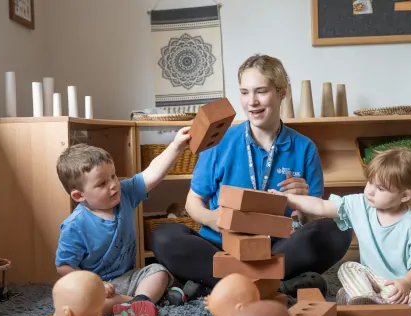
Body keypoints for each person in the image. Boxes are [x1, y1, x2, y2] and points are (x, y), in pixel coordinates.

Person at [150, 54, 352, 300]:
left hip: (276, 249)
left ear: (282, 93)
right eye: (245, 92)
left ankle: (221, 284)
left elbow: (312, 222)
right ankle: (273, 285)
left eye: (261, 91)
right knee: (163, 236)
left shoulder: (305, 147)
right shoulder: (220, 141)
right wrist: (213, 219)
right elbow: (194, 202)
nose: (252, 102)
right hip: (221, 246)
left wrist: (303, 200)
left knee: (338, 229)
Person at [269, 147, 411, 311]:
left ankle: (368, 304)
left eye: (380, 188)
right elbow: (322, 206)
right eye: (370, 182)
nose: (370, 191)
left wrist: (406, 283)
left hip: (406, 285)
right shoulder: (360, 204)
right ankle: (367, 300)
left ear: (405, 196)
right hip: (374, 281)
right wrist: (288, 198)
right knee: (348, 268)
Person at [53, 128, 191, 316]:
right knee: (82, 309)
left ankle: (140, 301)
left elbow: (152, 174)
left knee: (157, 271)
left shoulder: (125, 194)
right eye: (102, 183)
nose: (113, 185)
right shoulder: (75, 226)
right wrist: (96, 285)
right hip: (94, 288)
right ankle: (140, 302)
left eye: (113, 176)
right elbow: (64, 266)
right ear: (79, 196)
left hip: (127, 278)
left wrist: (177, 145)